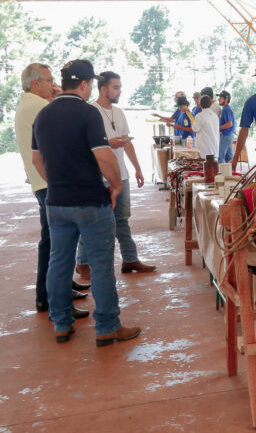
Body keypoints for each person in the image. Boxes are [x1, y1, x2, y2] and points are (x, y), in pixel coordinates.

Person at [31, 60, 140, 345]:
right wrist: (116, 185)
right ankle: (107, 327)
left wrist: (56, 183)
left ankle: (61, 324)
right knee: (101, 264)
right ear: (84, 84)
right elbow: (104, 157)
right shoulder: (87, 113)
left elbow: (36, 159)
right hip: (91, 200)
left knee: (59, 263)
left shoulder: (43, 116)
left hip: (56, 203)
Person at [14, 63, 90, 318]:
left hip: (44, 181)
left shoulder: (31, 104)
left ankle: (58, 291)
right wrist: (60, 97)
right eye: (48, 81)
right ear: (35, 83)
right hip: (49, 181)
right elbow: (64, 117)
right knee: (57, 243)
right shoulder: (37, 106)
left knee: (56, 241)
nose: (53, 85)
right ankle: (49, 298)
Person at [77, 71, 156, 278]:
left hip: (121, 175)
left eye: (119, 87)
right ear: (103, 89)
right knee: (93, 220)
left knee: (122, 219)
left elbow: (126, 142)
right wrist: (108, 143)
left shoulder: (119, 112)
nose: (119, 91)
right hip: (98, 176)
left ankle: (130, 259)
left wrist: (137, 168)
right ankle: (83, 263)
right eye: (116, 87)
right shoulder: (89, 111)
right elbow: (82, 146)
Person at [192, 95, 221, 160]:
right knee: (213, 166)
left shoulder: (199, 116)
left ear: (201, 104)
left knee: (204, 167)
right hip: (215, 147)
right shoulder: (215, 116)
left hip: (205, 149)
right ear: (210, 104)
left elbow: (194, 129)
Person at [218, 90, 236, 163]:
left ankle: (222, 174)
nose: (219, 99)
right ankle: (231, 173)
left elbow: (229, 124)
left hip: (226, 135)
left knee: (220, 157)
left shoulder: (226, 109)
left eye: (221, 97)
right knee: (229, 158)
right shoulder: (226, 109)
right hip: (228, 135)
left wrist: (218, 128)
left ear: (226, 99)